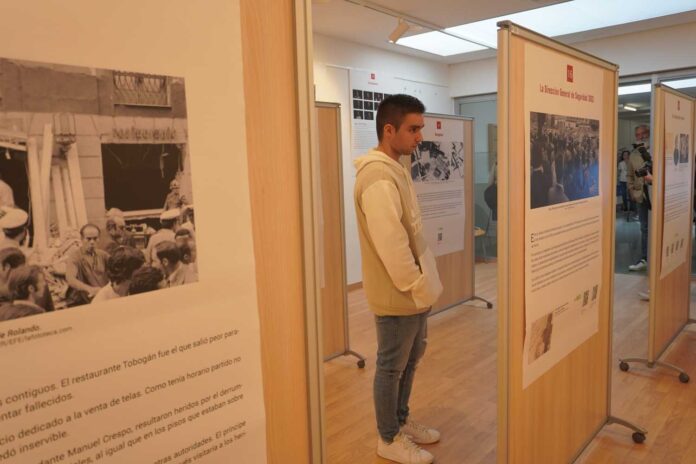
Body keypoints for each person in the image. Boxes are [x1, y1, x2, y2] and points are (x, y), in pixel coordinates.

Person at [354, 94, 443, 464]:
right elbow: (391, 244)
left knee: (410, 360)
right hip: (399, 293)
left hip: (413, 292)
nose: (419, 136)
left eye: (420, 128)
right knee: (392, 365)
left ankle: (400, 422)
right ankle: (387, 438)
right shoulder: (377, 177)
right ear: (388, 130)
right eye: (413, 129)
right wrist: (415, 285)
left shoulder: (395, 169)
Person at [626, 125, 652, 272]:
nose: (641, 136)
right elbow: (629, 175)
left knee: (657, 227)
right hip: (641, 195)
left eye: (643, 133)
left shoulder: (656, 149)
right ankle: (645, 258)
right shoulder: (633, 154)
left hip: (656, 193)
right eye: (638, 134)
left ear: (649, 133)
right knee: (644, 228)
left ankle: (658, 257)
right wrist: (631, 190)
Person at [65, 224, 109, 306]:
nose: (92, 242)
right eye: (88, 239)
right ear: (82, 239)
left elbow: (117, 270)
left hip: (102, 298)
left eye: (95, 238)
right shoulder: (75, 257)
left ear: (99, 239)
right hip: (83, 301)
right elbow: (70, 279)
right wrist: (89, 289)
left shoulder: (103, 255)